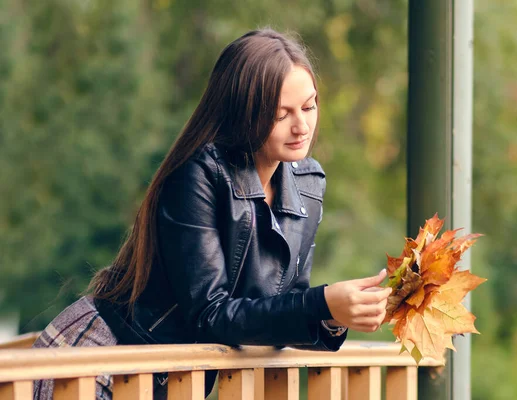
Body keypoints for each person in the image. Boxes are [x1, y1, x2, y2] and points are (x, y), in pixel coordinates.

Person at [32, 28, 392, 399]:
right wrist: (320, 303)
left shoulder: (307, 183)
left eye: (308, 106)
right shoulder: (198, 175)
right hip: (101, 362)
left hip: (170, 381)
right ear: (244, 112)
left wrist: (333, 317)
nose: (301, 126)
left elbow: (278, 312)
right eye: (280, 113)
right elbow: (211, 314)